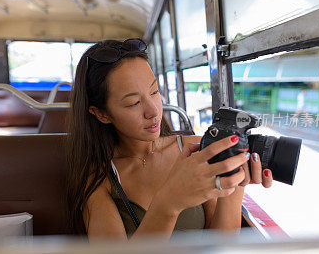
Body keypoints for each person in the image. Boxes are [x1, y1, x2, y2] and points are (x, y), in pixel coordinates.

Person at [65, 39, 273, 241]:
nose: (154, 110)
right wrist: (168, 203)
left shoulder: (196, 149)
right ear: (102, 114)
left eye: (154, 91)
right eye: (133, 102)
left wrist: (235, 184)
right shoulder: (98, 178)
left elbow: (221, 244)